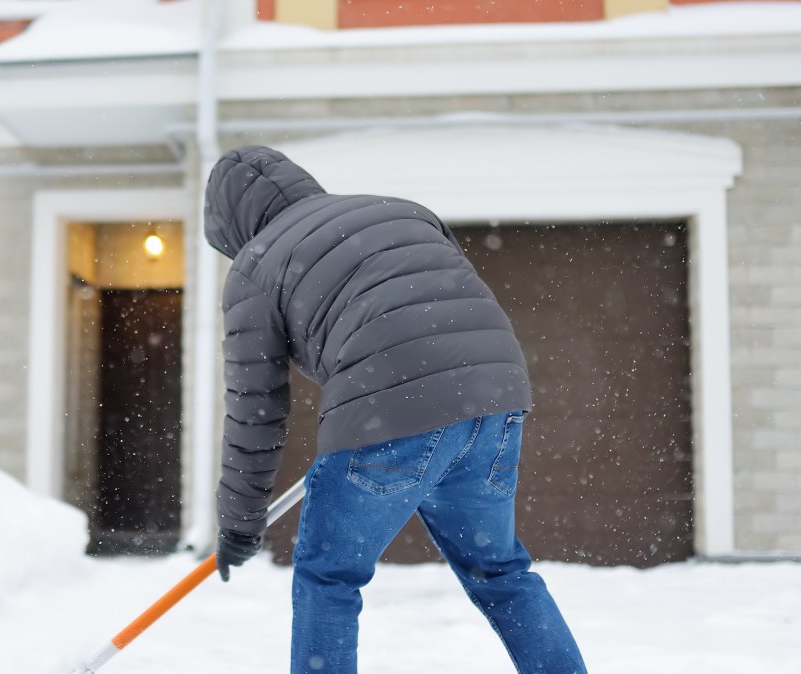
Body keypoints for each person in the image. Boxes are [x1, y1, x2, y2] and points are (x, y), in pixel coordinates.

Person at [205, 145, 587, 674]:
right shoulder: (401, 209)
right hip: (494, 394)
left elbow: (255, 411)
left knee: (329, 578)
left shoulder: (254, 266)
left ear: (232, 224)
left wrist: (239, 524)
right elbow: (448, 298)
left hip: (387, 410)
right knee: (499, 571)